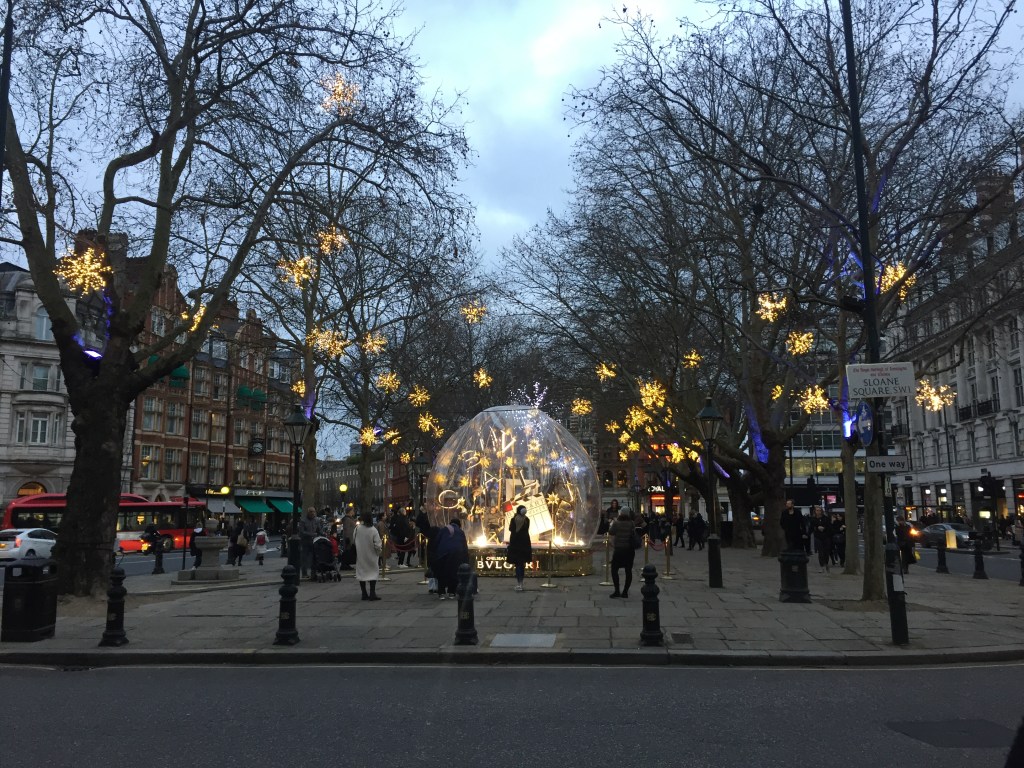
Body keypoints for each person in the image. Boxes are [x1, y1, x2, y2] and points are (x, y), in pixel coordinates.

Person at [433, 518, 470, 600]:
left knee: (442, 573)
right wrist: (466, 558)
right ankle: (452, 592)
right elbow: (464, 546)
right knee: (453, 572)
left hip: (443, 554)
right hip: (456, 554)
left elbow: (436, 541)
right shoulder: (461, 532)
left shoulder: (443, 529)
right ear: (459, 525)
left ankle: (441, 593)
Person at [353, 512, 383, 600]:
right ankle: (372, 593)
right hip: (372, 554)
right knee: (373, 573)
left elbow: (354, 539)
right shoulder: (373, 530)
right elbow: (377, 544)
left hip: (361, 553)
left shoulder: (357, 529)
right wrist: (378, 552)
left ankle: (364, 593)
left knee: (362, 573)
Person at [608, 508, 635, 598]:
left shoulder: (617, 523)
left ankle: (617, 590)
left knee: (614, 569)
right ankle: (625, 592)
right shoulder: (631, 523)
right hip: (629, 550)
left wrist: (612, 523)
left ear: (621, 513)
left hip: (619, 550)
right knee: (628, 571)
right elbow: (633, 533)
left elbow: (611, 532)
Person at [506, 504, 533, 592]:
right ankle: (521, 583)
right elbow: (527, 529)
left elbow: (511, 529)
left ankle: (519, 583)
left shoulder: (513, 519)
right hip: (525, 543)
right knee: (522, 564)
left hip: (515, 543)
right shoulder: (527, 520)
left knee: (517, 564)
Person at [809, 506, 832, 572]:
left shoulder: (826, 518)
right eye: (817, 510)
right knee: (820, 552)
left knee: (826, 552)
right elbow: (811, 528)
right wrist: (808, 534)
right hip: (817, 537)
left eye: (819, 510)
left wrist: (824, 528)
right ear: (815, 511)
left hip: (826, 537)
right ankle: (822, 566)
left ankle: (826, 563)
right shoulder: (813, 519)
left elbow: (829, 527)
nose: (818, 512)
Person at [298, 507, 318, 579]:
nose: (313, 513)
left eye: (314, 512)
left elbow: (318, 529)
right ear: (308, 512)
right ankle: (304, 573)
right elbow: (302, 532)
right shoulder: (303, 521)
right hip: (305, 541)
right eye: (311, 512)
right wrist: (311, 534)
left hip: (314, 541)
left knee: (314, 557)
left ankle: (314, 573)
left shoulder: (316, 520)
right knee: (304, 558)